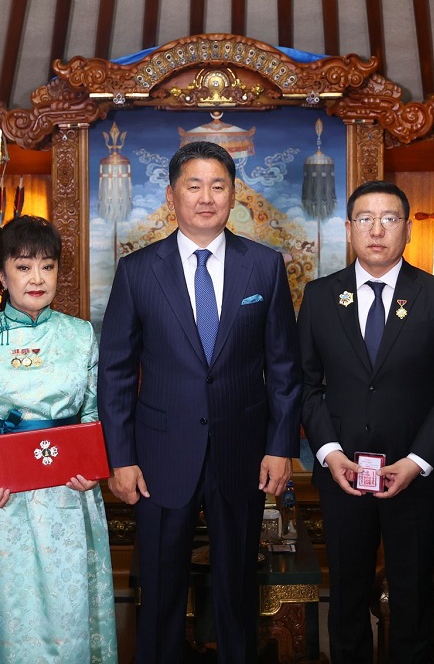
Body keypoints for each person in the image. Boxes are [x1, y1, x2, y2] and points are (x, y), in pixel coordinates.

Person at [98, 140, 302, 663]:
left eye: (218, 186)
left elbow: (283, 367)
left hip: (242, 451)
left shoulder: (264, 266)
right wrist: (120, 458)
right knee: (160, 589)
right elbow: (116, 373)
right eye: (194, 185)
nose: (206, 197)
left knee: (238, 589)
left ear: (234, 195)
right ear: (172, 195)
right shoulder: (138, 270)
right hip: (160, 455)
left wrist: (281, 446)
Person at [298, 180, 434, 663]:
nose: (377, 230)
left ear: (407, 229)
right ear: (349, 229)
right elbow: (305, 386)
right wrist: (330, 454)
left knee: (411, 600)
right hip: (343, 475)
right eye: (366, 219)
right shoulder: (320, 296)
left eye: (390, 219)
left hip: (414, 477)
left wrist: (416, 462)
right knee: (346, 599)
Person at [0, 215, 117, 663]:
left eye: (47, 266)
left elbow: (94, 414)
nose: (36, 278)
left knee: (68, 616)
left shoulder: (80, 335)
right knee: (9, 615)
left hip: (68, 495)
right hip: (3, 495)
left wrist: (91, 466)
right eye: (23, 267)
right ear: (2, 275)